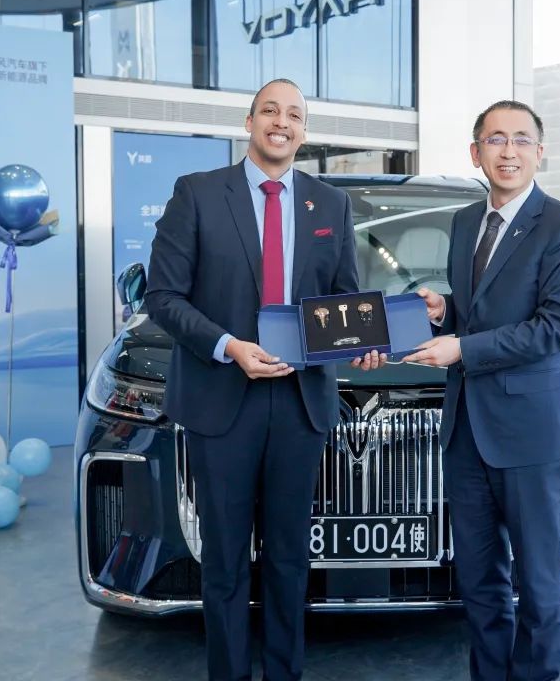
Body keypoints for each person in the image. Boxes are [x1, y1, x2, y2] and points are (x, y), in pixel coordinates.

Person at [144, 78, 383, 681]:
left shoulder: (329, 204)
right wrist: (228, 346)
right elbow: (163, 297)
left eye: (294, 115)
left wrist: (365, 342)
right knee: (225, 560)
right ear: (248, 122)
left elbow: (343, 297)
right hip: (222, 396)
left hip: (300, 402)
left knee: (288, 558)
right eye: (270, 111)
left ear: (304, 131)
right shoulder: (198, 193)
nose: (282, 122)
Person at [404, 100, 560, 680]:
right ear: (475, 152)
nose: (508, 151)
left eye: (520, 139)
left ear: (540, 152)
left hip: (530, 432)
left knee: (538, 580)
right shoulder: (465, 221)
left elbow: (552, 329)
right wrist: (444, 311)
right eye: (495, 140)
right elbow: (481, 311)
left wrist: (461, 347)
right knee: (479, 579)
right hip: (467, 428)